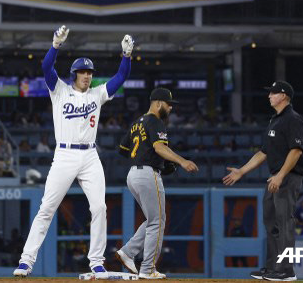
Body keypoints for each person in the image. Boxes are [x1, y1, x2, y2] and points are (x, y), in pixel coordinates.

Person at [13, 26, 134, 278]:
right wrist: (55, 45)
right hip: (65, 155)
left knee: (99, 207)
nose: (87, 76)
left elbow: (120, 78)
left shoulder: (97, 94)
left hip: (90, 156)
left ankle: (97, 262)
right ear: (74, 74)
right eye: (82, 72)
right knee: (47, 207)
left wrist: (126, 55)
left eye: (89, 72)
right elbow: (46, 68)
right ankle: (26, 261)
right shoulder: (59, 90)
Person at [223, 81, 303, 282]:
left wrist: (281, 175)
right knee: (271, 223)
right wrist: (241, 171)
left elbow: (296, 150)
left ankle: (286, 270)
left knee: (284, 222)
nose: (269, 96)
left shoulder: (293, 119)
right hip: (275, 176)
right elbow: (264, 152)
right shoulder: (275, 120)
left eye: (273, 93)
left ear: (284, 96)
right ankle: (272, 268)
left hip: (287, 176)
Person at [116, 87, 198, 279]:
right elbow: (159, 147)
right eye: (169, 104)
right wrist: (182, 161)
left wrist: (148, 154)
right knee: (158, 222)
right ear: (159, 103)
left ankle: (128, 252)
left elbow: (122, 149)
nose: (170, 108)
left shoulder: (137, 122)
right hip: (147, 174)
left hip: (133, 175)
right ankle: (147, 268)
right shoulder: (155, 121)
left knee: (153, 220)